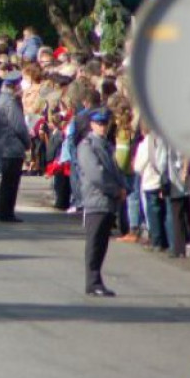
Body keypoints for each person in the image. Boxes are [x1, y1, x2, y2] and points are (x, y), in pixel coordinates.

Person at [77, 108, 126, 297]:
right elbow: (96, 174)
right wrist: (115, 190)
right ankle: (93, 281)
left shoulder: (106, 145)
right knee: (95, 243)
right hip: (96, 199)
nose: (103, 127)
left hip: (107, 201)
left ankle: (96, 280)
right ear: (92, 124)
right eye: (99, 123)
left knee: (102, 244)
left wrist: (121, 188)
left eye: (105, 123)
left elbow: (114, 170)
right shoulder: (87, 146)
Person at [0, 71, 31, 222]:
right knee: (11, 182)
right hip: (12, 146)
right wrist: (27, 142)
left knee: (6, 182)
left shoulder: (1, 100)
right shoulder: (10, 103)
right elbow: (19, 126)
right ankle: (7, 212)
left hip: (4, 144)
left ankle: (4, 211)